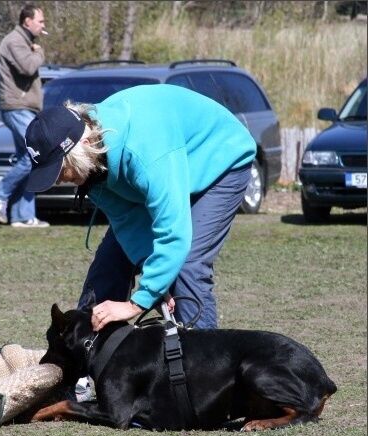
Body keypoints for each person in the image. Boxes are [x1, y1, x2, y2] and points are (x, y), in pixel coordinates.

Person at [25, 84, 256, 330]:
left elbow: (173, 234)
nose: (58, 180)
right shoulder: (93, 165)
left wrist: (137, 304)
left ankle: (205, 364)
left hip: (220, 159)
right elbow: (128, 221)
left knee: (186, 266)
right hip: (168, 166)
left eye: (60, 170)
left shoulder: (144, 152)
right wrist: (154, 287)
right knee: (109, 264)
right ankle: (90, 353)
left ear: (84, 145)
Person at [0, 4, 49, 227]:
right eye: (40, 21)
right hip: (16, 106)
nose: (43, 25)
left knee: (29, 157)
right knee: (35, 153)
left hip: (25, 107)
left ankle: (23, 216)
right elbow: (28, 67)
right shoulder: (14, 41)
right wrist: (39, 51)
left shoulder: (23, 41)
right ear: (27, 22)